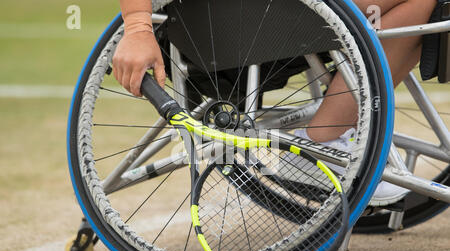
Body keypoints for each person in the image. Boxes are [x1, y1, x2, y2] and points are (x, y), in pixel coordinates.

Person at [113, 0, 438, 205]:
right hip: (220, 23)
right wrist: (138, 28)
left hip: (277, 15)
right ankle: (321, 142)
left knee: (423, 5)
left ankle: (327, 134)